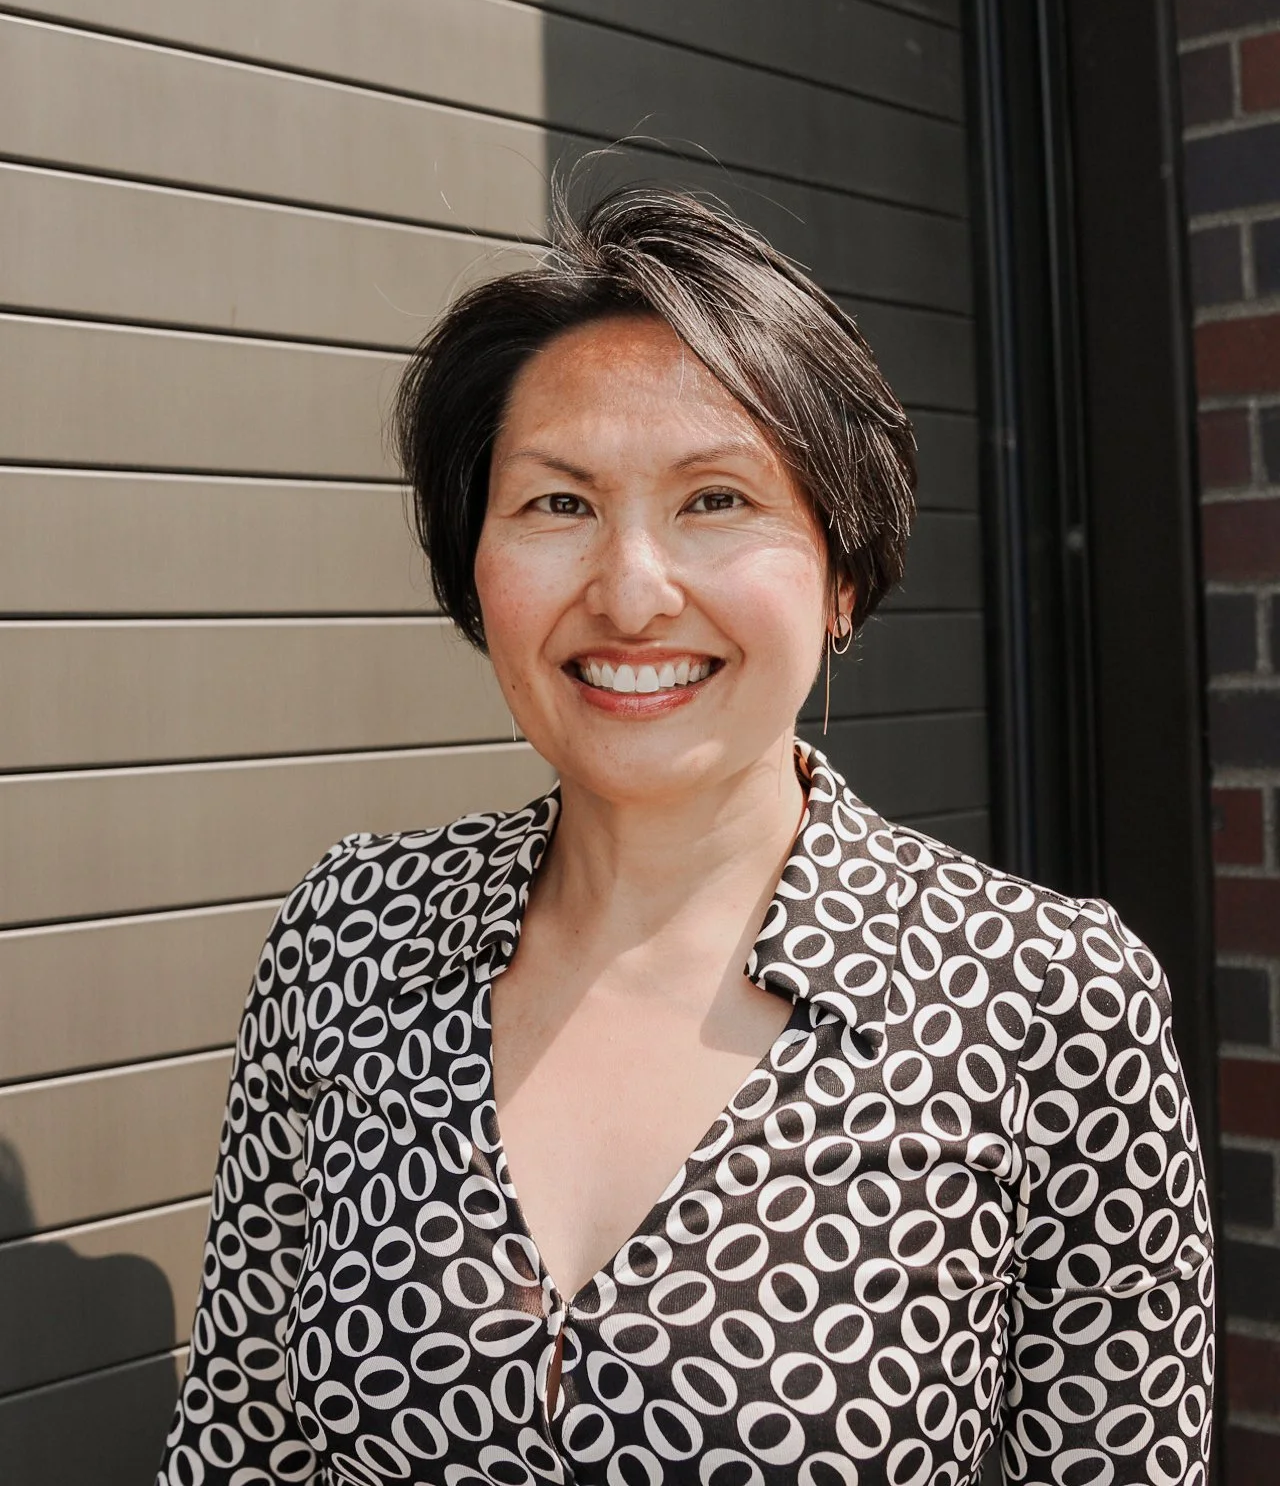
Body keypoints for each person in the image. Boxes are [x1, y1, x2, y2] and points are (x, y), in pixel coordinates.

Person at [157, 187, 1214, 1486]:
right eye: (558, 505)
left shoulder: (1048, 999)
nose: (632, 590)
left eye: (716, 500)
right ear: (474, 566)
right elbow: (240, 1449)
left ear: (839, 572)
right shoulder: (349, 934)